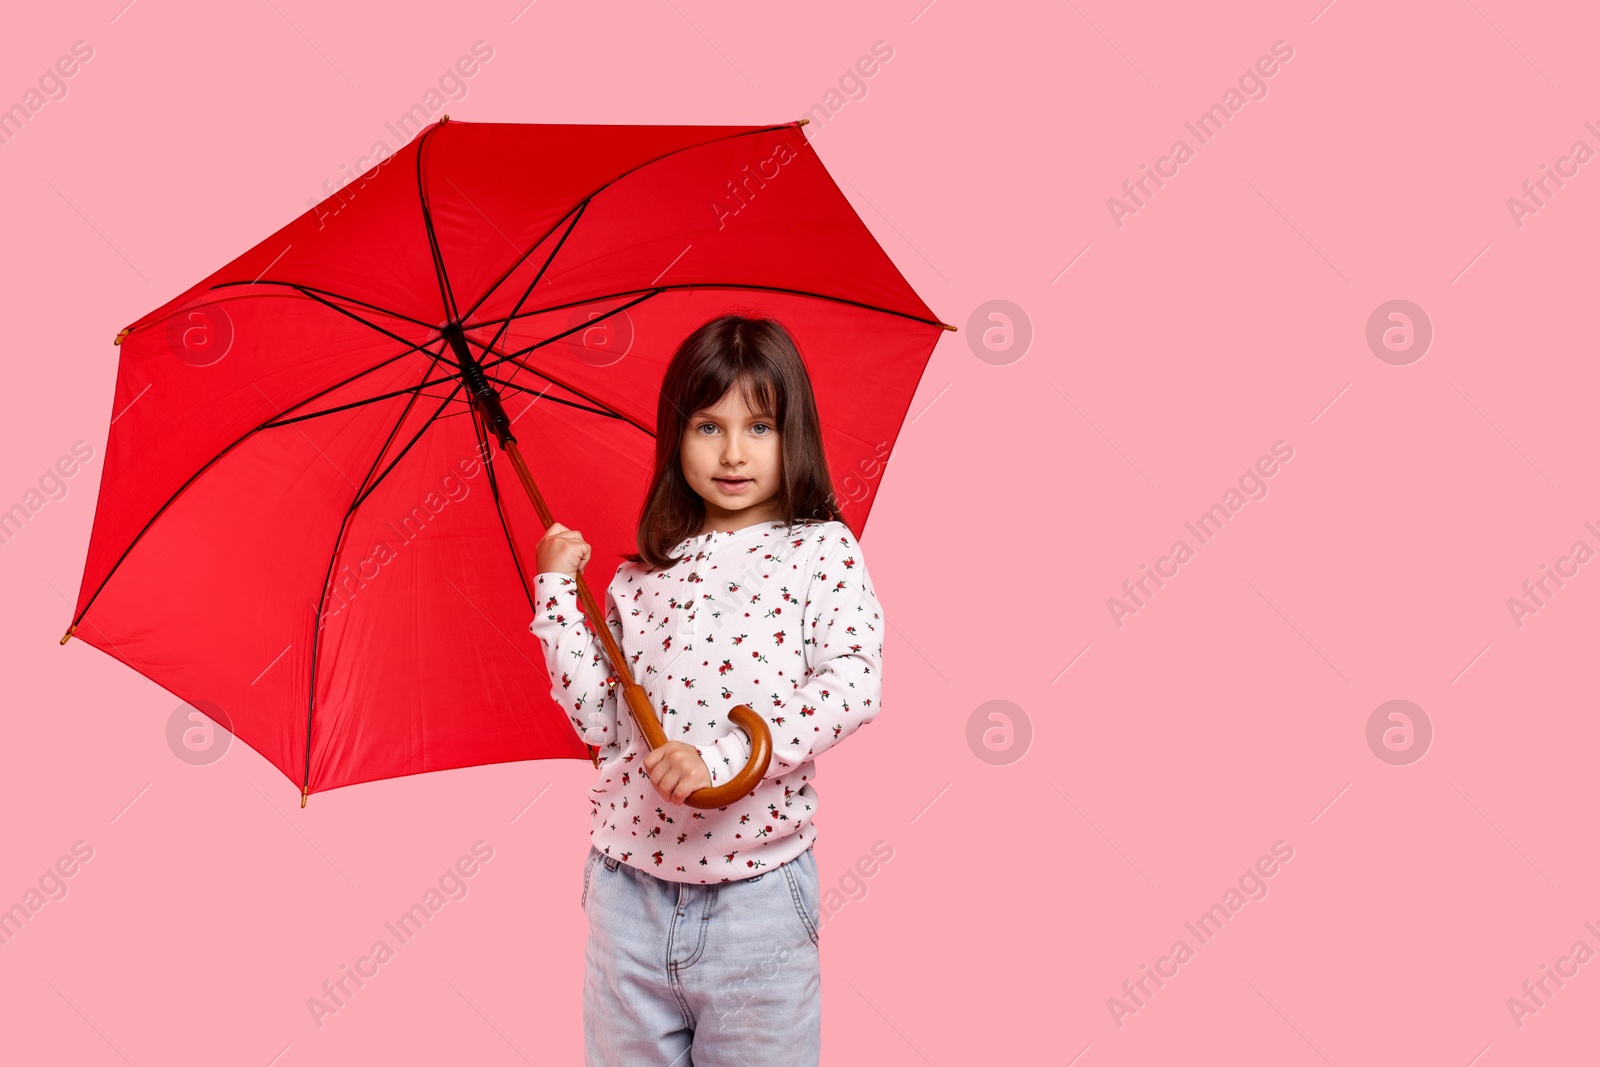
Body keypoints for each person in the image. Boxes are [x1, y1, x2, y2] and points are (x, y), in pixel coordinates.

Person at [528, 313, 886, 1066]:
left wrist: (724, 758)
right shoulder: (640, 575)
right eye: (706, 425)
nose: (732, 452)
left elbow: (854, 680)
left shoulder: (818, 550)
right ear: (675, 436)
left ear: (795, 435)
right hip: (627, 894)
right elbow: (599, 717)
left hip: (756, 898)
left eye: (759, 426)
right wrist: (560, 591)